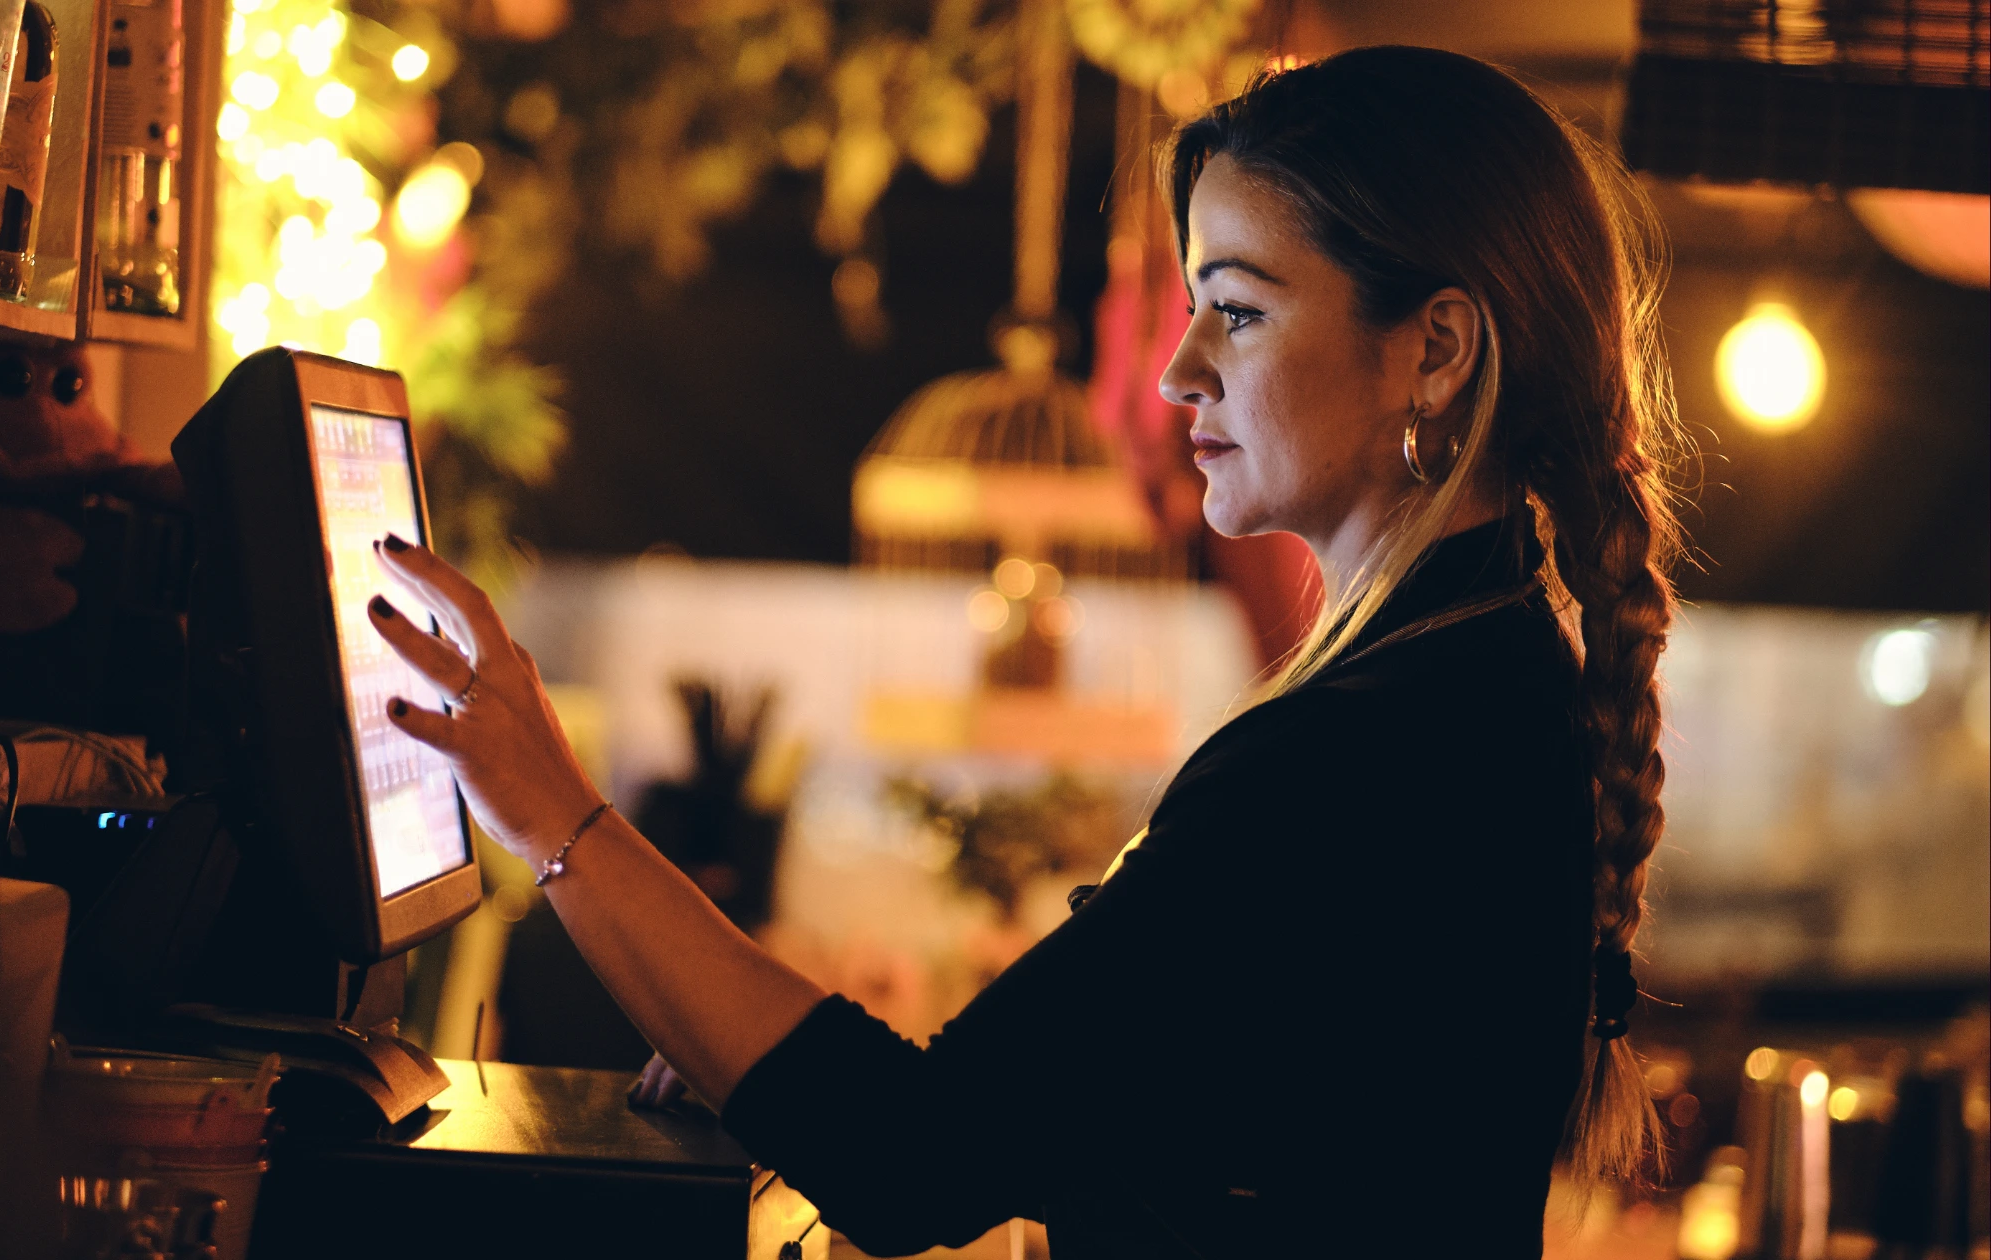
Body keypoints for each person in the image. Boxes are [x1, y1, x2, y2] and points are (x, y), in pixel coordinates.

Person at [365, 44, 1683, 1257]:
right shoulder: (1473, 681)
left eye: (1239, 308)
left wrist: (552, 806)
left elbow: (911, 1158)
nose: (1178, 373)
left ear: (1435, 350)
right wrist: (749, 1045)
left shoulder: (1373, 741)